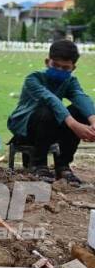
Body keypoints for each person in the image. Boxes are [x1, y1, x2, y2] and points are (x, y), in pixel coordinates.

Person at [8, 40, 95, 185]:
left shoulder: (70, 81)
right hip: (26, 130)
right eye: (55, 65)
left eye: (65, 67)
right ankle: (39, 165)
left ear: (73, 68)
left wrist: (93, 121)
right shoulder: (33, 78)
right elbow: (51, 100)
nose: (60, 70)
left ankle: (63, 166)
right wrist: (73, 125)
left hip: (51, 128)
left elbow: (81, 97)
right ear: (47, 62)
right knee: (47, 110)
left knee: (79, 110)